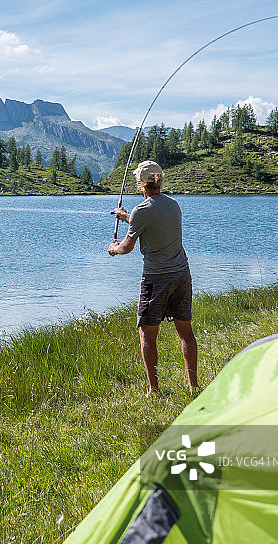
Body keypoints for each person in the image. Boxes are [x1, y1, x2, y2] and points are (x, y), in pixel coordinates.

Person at [108, 160, 198, 395]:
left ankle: (154, 390)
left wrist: (114, 248)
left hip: (156, 278)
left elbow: (127, 247)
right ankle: (193, 386)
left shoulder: (141, 211)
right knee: (185, 331)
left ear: (141, 183)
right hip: (182, 274)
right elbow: (153, 221)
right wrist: (126, 217)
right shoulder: (173, 205)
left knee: (147, 334)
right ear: (159, 180)